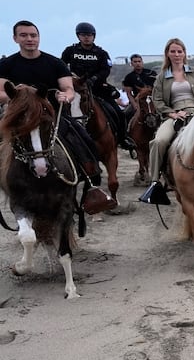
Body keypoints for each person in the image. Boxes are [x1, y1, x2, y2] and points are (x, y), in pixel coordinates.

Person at [0, 20, 115, 214]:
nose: (29, 39)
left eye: (33, 35)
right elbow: (1, 92)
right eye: (24, 35)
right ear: (15, 38)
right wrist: (24, 96)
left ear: (38, 38)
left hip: (50, 117)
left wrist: (66, 96)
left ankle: (92, 184)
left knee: (82, 138)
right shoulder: (6, 64)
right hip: (18, 118)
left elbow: (68, 88)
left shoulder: (54, 62)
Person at [138, 38, 194, 205]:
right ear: (167, 54)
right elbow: (157, 100)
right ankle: (154, 183)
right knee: (159, 141)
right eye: (173, 51)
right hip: (174, 114)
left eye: (179, 51)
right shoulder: (161, 77)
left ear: (184, 53)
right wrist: (172, 113)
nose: (176, 54)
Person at [61, 22, 135, 151]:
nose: (86, 38)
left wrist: (94, 79)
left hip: (97, 89)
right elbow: (61, 66)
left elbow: (106, 69)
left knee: (118, 112)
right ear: (78, 36)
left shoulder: (101, 53)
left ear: (93, 36)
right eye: (83, 35)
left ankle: (123, 139)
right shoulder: (70, 51)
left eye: (89, 35)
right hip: (76, 90)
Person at [121, 53, 158, 122]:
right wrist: (134, 105)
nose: (137, 63)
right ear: (131, 63)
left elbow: (158, 88)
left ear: (142, 62)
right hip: (138, 100)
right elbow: (129, 93)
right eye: (135, 62)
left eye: (139, 61)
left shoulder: (151, 73)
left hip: (152, 99)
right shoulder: (129, 77)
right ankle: (126, 131)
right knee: (125, 114)